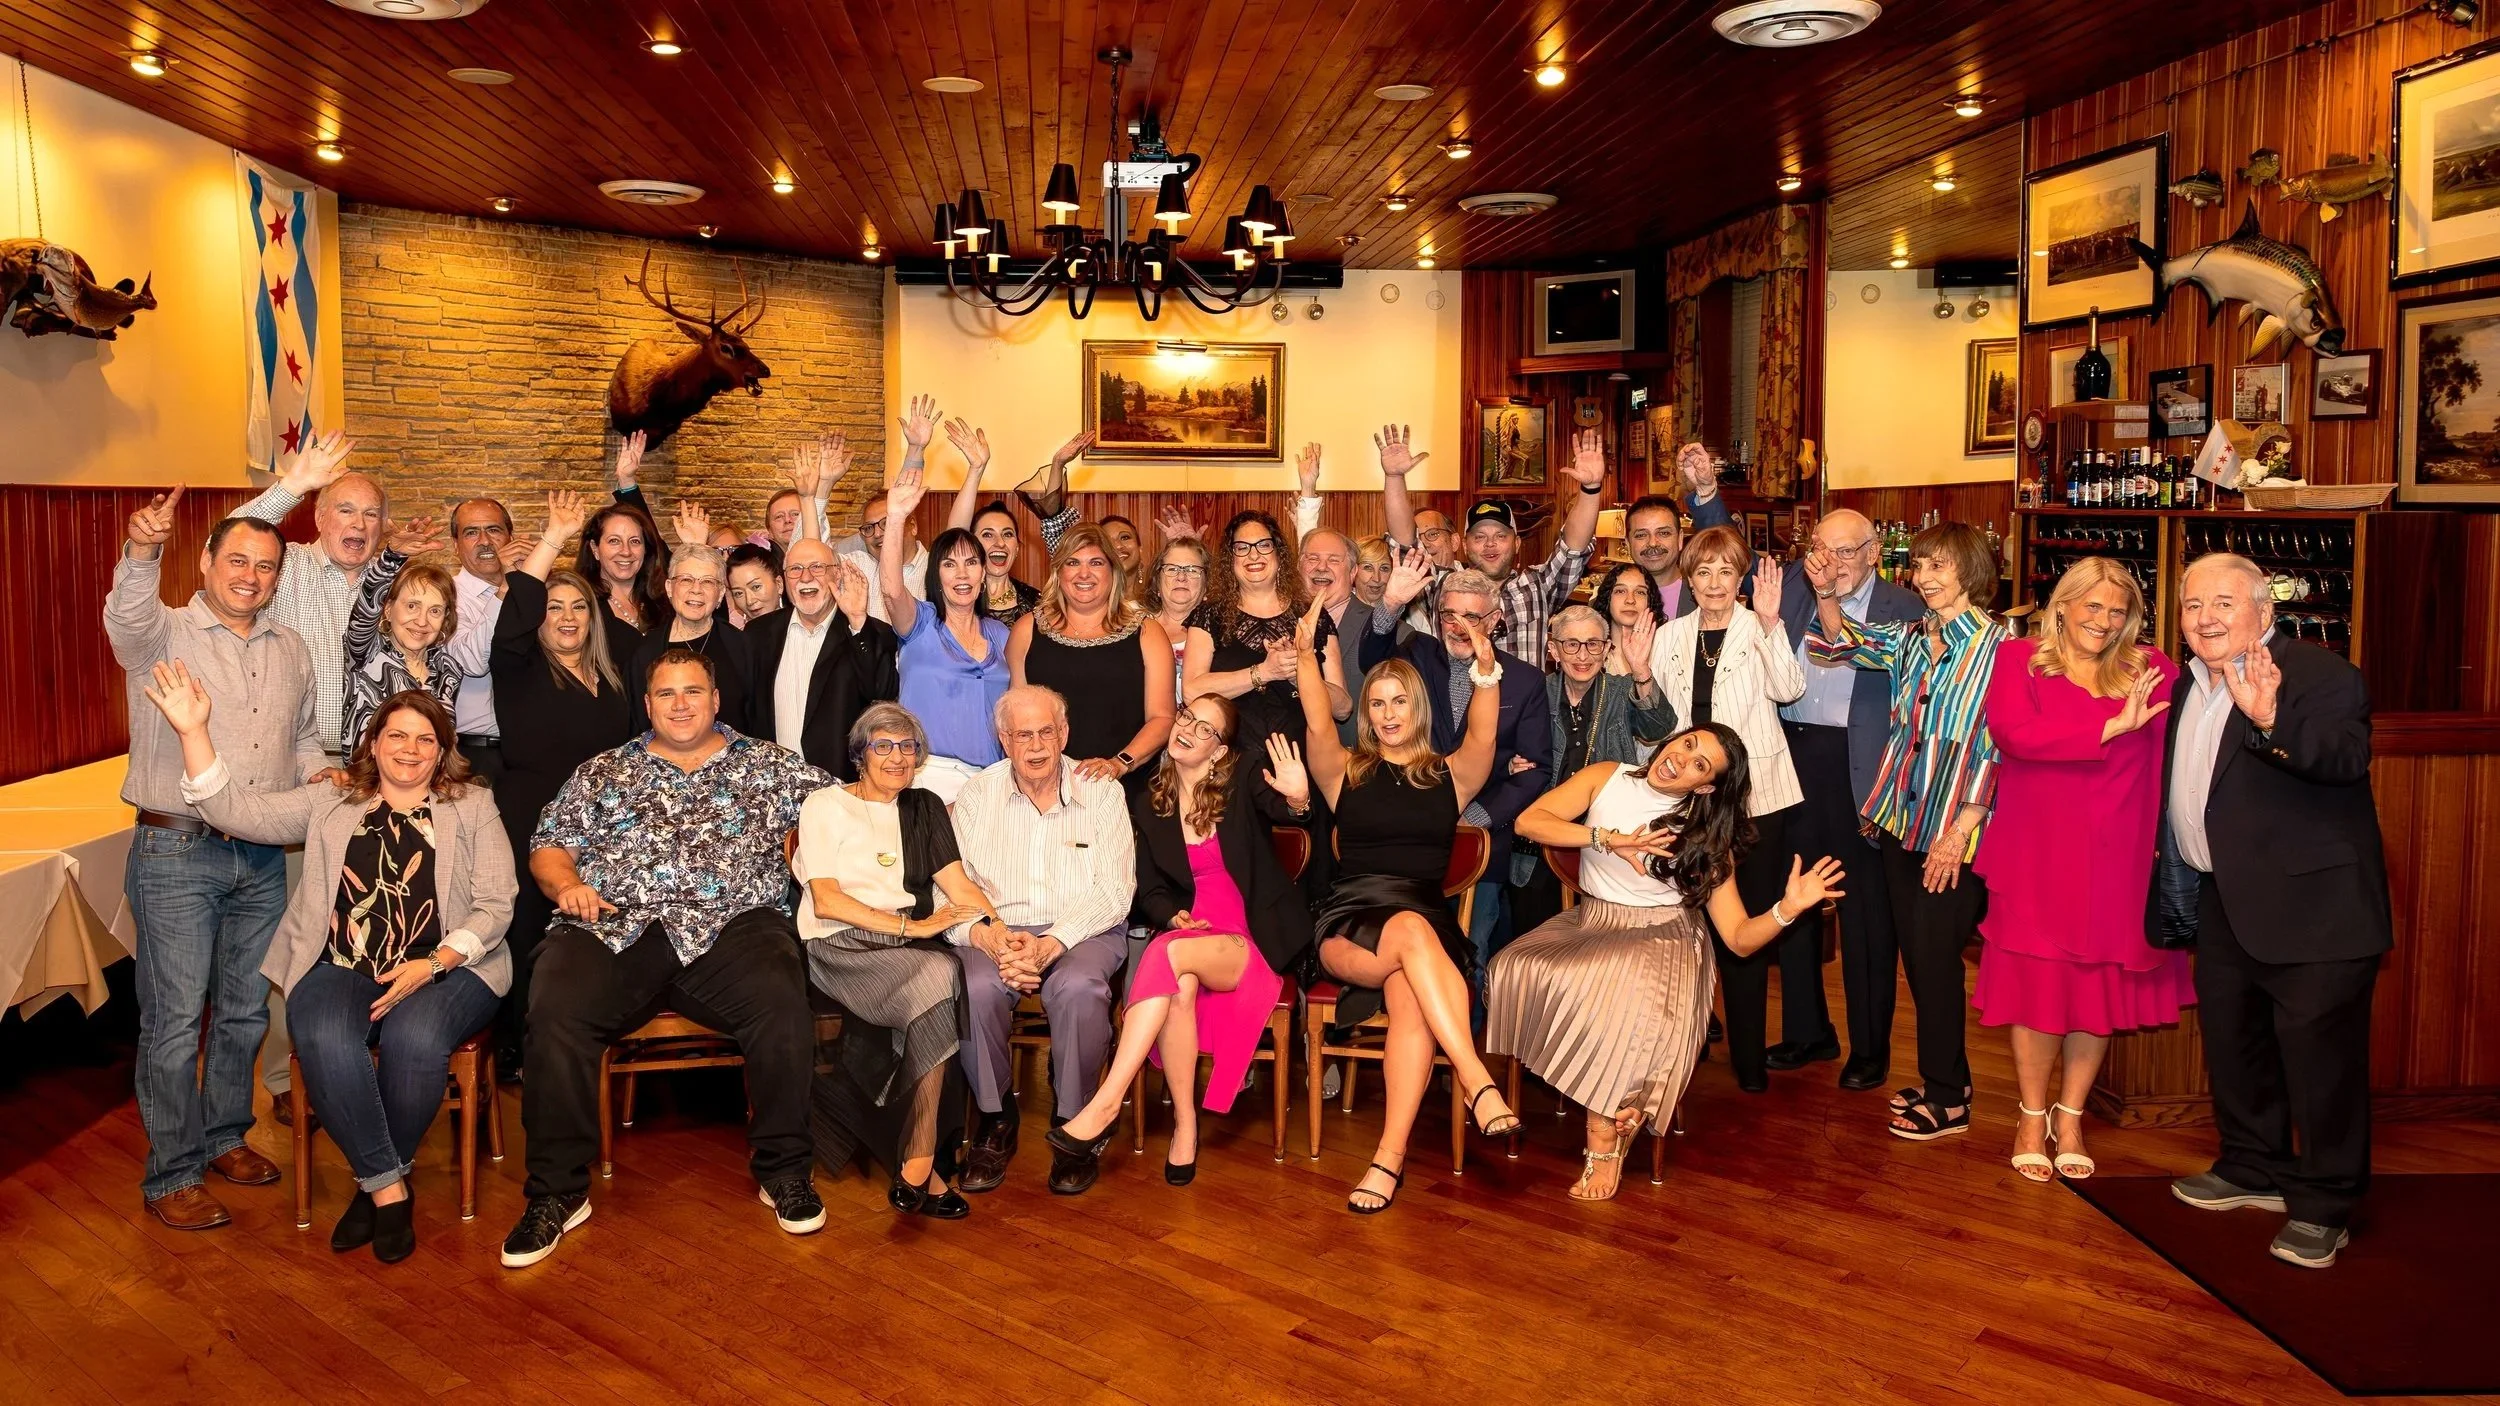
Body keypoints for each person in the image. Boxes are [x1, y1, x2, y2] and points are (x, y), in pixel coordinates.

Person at [145, 674, 513, 1261]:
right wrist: (194, 731)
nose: (410, 749)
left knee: (414, 1038)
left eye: (425, 739)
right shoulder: (331, 801)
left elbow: (497, 901)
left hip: (450, 966)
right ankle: (388, 1187)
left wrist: (432, 964)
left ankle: (374, 1185)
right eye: (397, 735)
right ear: (372, 743)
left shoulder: (471, 804)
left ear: (443, 751)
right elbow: (238, 811)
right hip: (342, 961)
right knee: (318, 1030)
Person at [505, 649, 832, 1267]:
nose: (680, 704)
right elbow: (549, 846)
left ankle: (784, 1171)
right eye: (665, 694)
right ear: (648, 704)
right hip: (615, 923)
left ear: (715, 700)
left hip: (732, 926)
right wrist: (564, 886)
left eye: (693, 692)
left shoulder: (774, 766)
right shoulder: (603, 772)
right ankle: (557, 1192)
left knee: (782, 998)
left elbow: (851, 811)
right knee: (554, 1007)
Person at [1494, 727, 1849, 1200]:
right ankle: (1625, 1098)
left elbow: (1740, 941)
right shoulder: (1607, 776)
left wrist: (1788, 909)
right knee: (1511, 966)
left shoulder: (1706, 836)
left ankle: (1605, 1136)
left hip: (1663, 934)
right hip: (1594, 922)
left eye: (1700, 765)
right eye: (1686, 744)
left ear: (1704, 787)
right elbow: (1529, 822)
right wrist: (1608, 839)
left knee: (1611, 984)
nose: (1682, 760)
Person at [2158, 554, 2390, 1270]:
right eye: (2194, 605)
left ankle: (2324, 1204)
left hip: (2318, 910)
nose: (2207, 618)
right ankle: (2251, 1166)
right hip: (2226, 898)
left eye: (2224, 602)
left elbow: (2344, 758)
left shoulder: (2321, 676)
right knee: (2235, 1041)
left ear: (2265, 610)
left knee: (2322, 1065)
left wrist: (2270, 718)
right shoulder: (2182, 683)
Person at [107, 490, 323, 1230]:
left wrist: (317, 772)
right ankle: (172, 1173)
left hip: (261, 858)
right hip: (176, 851)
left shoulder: (290, 646)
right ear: (203, 563)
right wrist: (141, 552)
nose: (250, 576)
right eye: (237, 560)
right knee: (172, 1021)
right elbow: (126, 614)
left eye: (266, 566)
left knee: (239, 1012)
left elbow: (303, 737)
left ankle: (227, 1136)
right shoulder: (161, 633)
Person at [1292, 602, 1521, 1212]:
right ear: (1365, 713)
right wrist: (1303, 646)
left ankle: (1386, 1161)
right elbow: (1316, 717)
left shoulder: (1453, 776)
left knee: (1413, 994)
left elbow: (1484, 732)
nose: (1387, 714)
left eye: (1399, 701)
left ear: (1417, 708)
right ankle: (1475, 1079)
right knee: (1416, 937)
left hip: (1419, 937)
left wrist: (1485, 668)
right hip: (1349, 927)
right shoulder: (1343, 771)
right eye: (1376, 702)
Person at [1974, 558, 2188, 1184]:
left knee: (2097, 992)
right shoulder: (2019, 660)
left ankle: (2071, 1117)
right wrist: (2109, 725)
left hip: (2120, 855)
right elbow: (2013, 734)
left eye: (2117, 610)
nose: (2104, 620)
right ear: (2062, 605)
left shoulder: (2155, 670)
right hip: (2037, 853)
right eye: (2091, 606)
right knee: (2039, 993)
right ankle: (2030, 1117)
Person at [1050, 695, 1315, 1185]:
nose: (1188, 728)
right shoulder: (1148, 802)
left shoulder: (1244, 777)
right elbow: (1146, 885)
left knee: (1164, 956)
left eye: (1206, 728)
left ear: (1219, 751)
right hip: (1191, 935)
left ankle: (1107, 1103)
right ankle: (1185, 1127)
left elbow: (1285, 807)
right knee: (1177, 986)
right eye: (1187, 716)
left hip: (1248, 939)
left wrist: (1297, 797)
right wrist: (1171, 914)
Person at [1805, 521, 2006, 1141]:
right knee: (1919, 963)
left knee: (1936, 962)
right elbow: (1835, 646)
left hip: (1953, 832)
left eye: (1938, 566)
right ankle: (1950, 1077)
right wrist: (1826, 592)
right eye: (1919, 566)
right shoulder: (1912, 638)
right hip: (1899, 824)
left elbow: (1997, 751)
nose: (1923, 578)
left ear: (1970, 572)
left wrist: (1959, 832)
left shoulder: (2002, 650)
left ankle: (1948, 1100)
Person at [793, 703, 999, 1220]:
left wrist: (1000, 936)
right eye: (882, 745)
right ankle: (924, 1167)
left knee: (939, 981)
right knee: (940, 973)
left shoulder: (924, 807)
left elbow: (959, 887)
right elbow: (828, 902)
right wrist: (915, 927)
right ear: (860, 754)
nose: (897, 756)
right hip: (840, 946)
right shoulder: (824, 805)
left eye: (908, 747)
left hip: (903, 952)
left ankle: (919, 1160)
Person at [945, 686, 1138, 1196]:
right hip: (999, 931)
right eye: (1023, 734)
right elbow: (954, 888)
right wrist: (992, 939)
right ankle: (995, 1120)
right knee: (975, 986)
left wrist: (1053, 942)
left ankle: (1075, 1125)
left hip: (1084, 927)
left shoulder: (1100, 789)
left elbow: (1116, 891)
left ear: (1064, 734)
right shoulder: (976, 795)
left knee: (1078, 989)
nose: (1036, 746)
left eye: (1046, 732)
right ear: (1003, 739)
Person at [487, 492, 637, 1081]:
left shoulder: (612, 673)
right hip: (532, 816)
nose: (569, 616)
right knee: (530, 930)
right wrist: (553, 538)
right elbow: (514, 615)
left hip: (603, 827)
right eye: (555, 607)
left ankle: (587, 1041)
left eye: (579, 606)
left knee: (593, 933)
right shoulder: (519, 666)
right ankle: (523, 1051)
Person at [1654, 528, 1805, 1094]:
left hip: (1759, 799)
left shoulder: (1758, 625)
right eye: (1703, 573)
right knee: (1690, 930)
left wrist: (1770, 625)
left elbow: (1790, 690)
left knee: (1749, 931)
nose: (1715, 584)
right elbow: (1662, 722)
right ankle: (1686, 1044)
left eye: (1726, 572)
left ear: (1741, 578)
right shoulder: (1669, 636)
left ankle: (1749, 1059)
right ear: (1688, 579)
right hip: (1691, 800)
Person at [1776, 508, 1921, 1091]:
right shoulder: (1793, 594)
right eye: (1820, 548)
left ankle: (1869, 1048)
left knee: (1865, 914)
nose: (1829, 561)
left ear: (1872, 551)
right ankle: (1807, 1031)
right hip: (1791, 758)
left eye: (1843, 551)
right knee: (1793, 902)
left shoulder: (1906, 608)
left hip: (1862, 768)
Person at [1362, 560, 1553, 978]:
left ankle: (1463, 1038)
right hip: (1411, 837)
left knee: (1473, 948)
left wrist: (1477, 817)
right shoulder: (1416, 655)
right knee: (1408, 950)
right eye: (1449, 614)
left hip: (1482, 842)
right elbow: (1370, 659)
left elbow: (1536, 769)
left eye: (1471, 616)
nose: (1458, 625)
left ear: (1496, 620)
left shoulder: (1525, 681)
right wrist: (1391, 601)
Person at [1380, 424, 1608, 665]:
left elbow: (1573, 548)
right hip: (1459, 701)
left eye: (1500, 536)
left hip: (1523, 702)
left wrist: (1590, 489)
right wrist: (1394, 477)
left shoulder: (1538, 586)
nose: (1490, 544)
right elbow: (1407, 545)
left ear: (1517, 543)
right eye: (1479, 537)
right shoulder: (1443, 586)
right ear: (1465, 546)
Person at [1512, 604, 1670, 934]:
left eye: (1593, 644)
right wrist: (1509, 762)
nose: (1583, 655)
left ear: (1607, 649)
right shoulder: (1535, 692)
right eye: (1571, 644)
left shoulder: (1622, 690)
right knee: (1538, 942)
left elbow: (1659, 727)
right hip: (1541, 843)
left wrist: (1640, 668)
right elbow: (1498, 743)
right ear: (1553, 649)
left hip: (1611, 843)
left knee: (1599, 945)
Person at [1009, 524, 1176, 796]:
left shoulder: (1147, 632)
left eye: (1096, 562)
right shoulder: (1026, 629)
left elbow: (1162, 717)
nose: (1083, 573)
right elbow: (1016, 719)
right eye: (1072, 562)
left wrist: (1118, 764)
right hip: (1045, 788)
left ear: (1113, 571)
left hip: (1125, 786)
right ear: (1058, 572)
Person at [878, 464, 1009, 802]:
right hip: (930, 776)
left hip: (995, 779)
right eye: (949, 564)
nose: (961, 574)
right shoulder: (920, 623)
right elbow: (892, 591)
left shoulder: (1001, 634)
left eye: (970, 563)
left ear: (983, 575)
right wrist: (895, 518)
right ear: (936, 576)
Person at [1184, 508, 1349, 772]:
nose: (1253, 555)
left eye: (1263, 545)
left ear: (1279, 554)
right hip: (1230, 770)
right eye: (1242, 547)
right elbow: (1191, 690)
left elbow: (1343, 708)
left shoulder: (1311, 615)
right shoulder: (1209, 615)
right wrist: (1264, 672)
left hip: (1304, 768)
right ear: (1231, 559)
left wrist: (1301, 676)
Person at [748, 537, 899, 781]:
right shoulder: (758, 633)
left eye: (817, 567)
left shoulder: (869, 632)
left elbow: (882, 694)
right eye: (795, 569)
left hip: (842, 787)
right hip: (774, 787)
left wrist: (857, 619)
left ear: (837, 574)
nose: (806, 577)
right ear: (784, 578)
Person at [341, 521, 459, 756]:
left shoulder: (449, 670)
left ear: (445, 618)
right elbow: (365, 608)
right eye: (412, 606)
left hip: (427, 788)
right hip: (368, 787)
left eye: (435, 610)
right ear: (387, 609)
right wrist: (392, 557)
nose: (422, 621)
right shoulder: (365, 652)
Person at [627, 543, 755, 735]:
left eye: (708, 582)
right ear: (669, 588)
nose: (696, 590)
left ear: (720, 593)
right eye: (686, 580)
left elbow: (756, 721)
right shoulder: (644, 654)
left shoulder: (743, 647)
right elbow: (638, 728)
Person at [447, 498, 517, 784]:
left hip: (528, 753)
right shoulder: (445, 596)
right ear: (455, 544)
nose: (485, 541)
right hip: (471, 756)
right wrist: (504, 590)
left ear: (510, 537)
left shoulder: (532, 594)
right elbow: (474, 662)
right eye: (471, 532)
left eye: (494, 530)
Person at [1625, 442, 1738, 619]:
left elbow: (1727, 547)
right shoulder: (1611, 598)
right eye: (1641, 535)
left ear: (1680, 539)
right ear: (1627, 543)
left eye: (1663, 533)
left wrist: (1706, 488)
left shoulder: (1708, 595)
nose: (1653, 543)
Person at [576, 499, 667, 667]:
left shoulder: (664, 603)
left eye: (635, 541)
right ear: (595, 549)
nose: (626, 551)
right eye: (614, 541)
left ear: (646, 549)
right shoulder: (581, 605)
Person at [1146, 533, 1211, 701]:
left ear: (1206, 586)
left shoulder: (1221, 634)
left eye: (1192, 570)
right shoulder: (1134, 627)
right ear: (1157, 582)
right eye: (1172, 569)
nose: (1181, 577)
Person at [1590, 561, 1664, 680]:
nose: (1630, 600)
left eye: (1640, 592)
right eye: (1620, 591)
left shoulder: (1665, 654)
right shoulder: (1588, 654)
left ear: (1650, 602)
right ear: (1607, 599)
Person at [726, 543, 784, 626]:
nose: (749, 601)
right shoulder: (733, 637)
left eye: (756, 587)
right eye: (738, 593)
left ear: (779, 584)